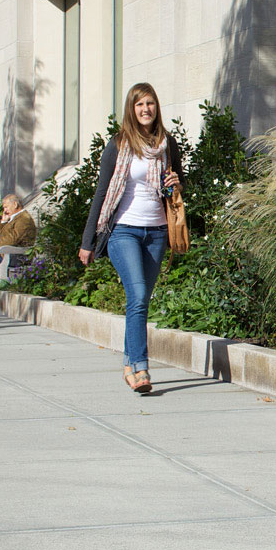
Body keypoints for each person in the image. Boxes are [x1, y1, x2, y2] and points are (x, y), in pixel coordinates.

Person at [78, 82, 183, 394]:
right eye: (139, 104)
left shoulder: (167, 144)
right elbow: (101, 192)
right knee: (137, 296)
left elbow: (174, 188)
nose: (145, 109)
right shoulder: (119, 144)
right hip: (123, 229)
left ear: (156, 107)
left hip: (157, 231)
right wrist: (88, 241)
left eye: (150, 103)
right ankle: (141, 367)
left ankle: (128, 363)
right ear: (131, 109)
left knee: (140, 301)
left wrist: (176, 183)